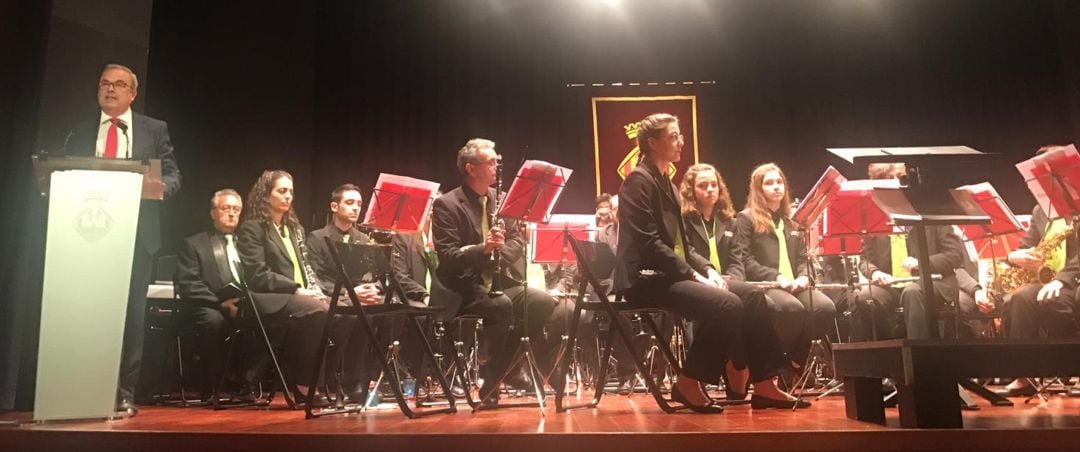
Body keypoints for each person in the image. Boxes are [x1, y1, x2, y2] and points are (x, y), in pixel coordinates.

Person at [615, 113, 806, 412]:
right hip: (646, 278)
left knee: (753, 295)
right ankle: (688, 382)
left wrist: (707, 270)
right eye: (674, 136)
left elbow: (684, 245)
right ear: (653, 143)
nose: (681, 141)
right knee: (727, 305)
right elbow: (648, 245)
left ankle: (766, 385)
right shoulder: (637, 182)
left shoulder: (667, 183)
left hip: (670, 274)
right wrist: (692, 273)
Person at [61, 63, 181, 416]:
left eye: (118, 84)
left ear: (133, 93)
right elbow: (61, 173)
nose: (110, 89)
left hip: (136, 236)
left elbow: (172, 173)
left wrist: (161, 188)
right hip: (86, 236)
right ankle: (81, 386)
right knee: (87, 312)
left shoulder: (153, 129)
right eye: (104, 83)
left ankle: (125, 392)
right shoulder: (79, 132)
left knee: (130, 316)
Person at [431, 138, 571, 403]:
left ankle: (496, 372)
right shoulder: (447, 204)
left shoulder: (503, 200)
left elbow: (517, 238)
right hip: (461, 286)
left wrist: (497, 256)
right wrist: (483, 249)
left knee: (540, 302)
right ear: (471, 169)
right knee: (502, 305)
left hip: (496, 279)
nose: (497, 167)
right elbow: (448, 256)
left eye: (498, 161)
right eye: (491, 162)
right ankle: (502, 372)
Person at [234, 170, 353, 401]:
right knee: (319, 311)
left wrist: (314, 290)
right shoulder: (253, 228)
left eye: (291, 192)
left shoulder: (295, 229)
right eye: (282, 191)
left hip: (299, 295)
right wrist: (296, 289)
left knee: (349, 314)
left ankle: (324, 379)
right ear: (266, 195)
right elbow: (258, 275)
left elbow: (306, 268)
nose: (288, 196)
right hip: (270, 298)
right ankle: (303, 384)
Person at [997, 146, 1080, 396]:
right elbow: (1026, 246)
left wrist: (1064, 280)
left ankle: (1070, 366)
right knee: (1020, 298)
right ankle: (1024, 374)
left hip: (1072, 279)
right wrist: (1015, 256)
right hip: (1050, 280)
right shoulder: (1041, 211)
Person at [734, 163, 836, 364]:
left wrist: (804, 276)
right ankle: (778, 363)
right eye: (769, 183)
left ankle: (794, 360)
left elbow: (801, 258)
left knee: (825, 308)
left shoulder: (792, 220)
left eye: (779, 182)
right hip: (767, 284)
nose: (776, 187)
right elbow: (746, 260)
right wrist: (776, 277)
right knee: (790, 309)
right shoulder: (746, 218)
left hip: (794, 284)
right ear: (758, 189)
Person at [854, 163, 964, 341]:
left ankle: (918, 355)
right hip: (893, 285)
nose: (898, 183)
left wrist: (922, 263)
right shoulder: (875, 218)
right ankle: (891, 348)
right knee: (865, 297)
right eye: (890, 179)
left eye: (900, 177)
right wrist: (875, 273)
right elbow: (865, 259)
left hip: (934, 282)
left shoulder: (929, 210)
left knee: (912, 292)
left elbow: (955, 255)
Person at [175, 189, 245, 400]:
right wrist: (221, 303)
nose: (232, 214)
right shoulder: (194, 244)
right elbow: (189, 283)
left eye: (236, 209)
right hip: (207, 305)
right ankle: (214, 385)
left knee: (269, 317)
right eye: (226, 208)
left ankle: (246, 384)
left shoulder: (247, 243)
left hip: (243, 302)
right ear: (213, 213)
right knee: (214, 322)